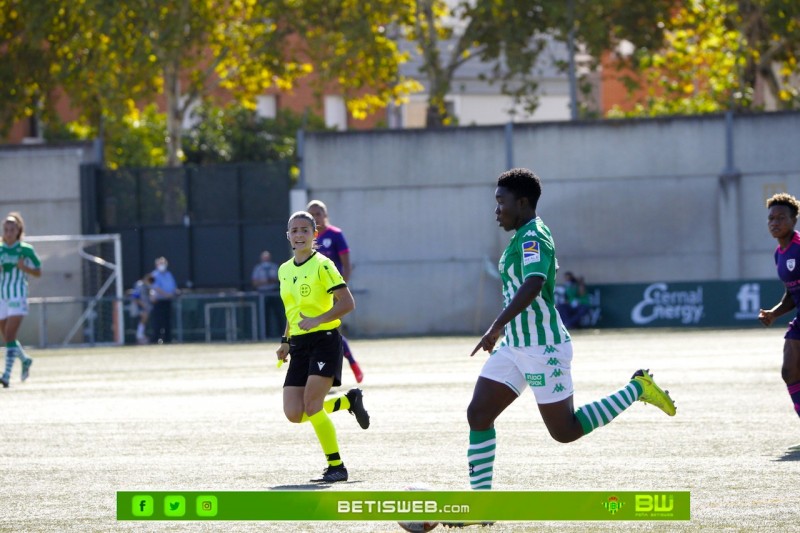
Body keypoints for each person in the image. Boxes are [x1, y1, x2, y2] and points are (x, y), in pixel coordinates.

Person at [466, 168, 676, 490]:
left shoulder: (534, 236)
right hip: (514, 346)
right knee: (479, 414)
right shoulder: (520, 238)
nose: (496, 210)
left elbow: (534, 283)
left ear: (522, 203)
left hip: (542, 347)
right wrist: (502, 331)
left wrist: (496, 324)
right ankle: (481, 504)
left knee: (565, 431)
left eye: (501, 202)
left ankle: (638, 388)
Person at [276, 210, 370, 483]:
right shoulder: (284, 270)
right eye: (294, 230)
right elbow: (291, 311)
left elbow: (347, 303)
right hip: (299, 345)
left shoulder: (323, 265)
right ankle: (347, 401)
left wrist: (318, 319)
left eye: (305, 230)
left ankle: (336, 466)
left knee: (312, 404)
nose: (299, 235)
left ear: (315, 235)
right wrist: (285, 341)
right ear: (288, 236)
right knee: (294, 413)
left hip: (325, 341)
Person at [306, 200, 364, 383]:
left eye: (318, 213)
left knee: (330, 332)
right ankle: (321, 373)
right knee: (316, 333)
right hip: (315, 294)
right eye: (311, 214)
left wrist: (341, 291)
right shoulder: (308, 239)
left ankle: (345, 365)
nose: (315, 217)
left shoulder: (336, 235)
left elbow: (346, 264)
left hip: (333, 293)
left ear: (325, 215)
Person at [758, 192, 800, 435]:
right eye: (771, 218)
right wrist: (773, 313)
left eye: (780, 218)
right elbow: (791, 293)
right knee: (789, 371)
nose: (774, 222)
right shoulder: (779, 253)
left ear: (794, 220)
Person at [0, 212, 41, 388]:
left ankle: (6, 375)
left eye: (12, 229)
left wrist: (24, 267)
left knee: (10, 334)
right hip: (2, 295)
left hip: (18, 294)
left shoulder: (26, 250)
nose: (9, 232)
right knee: (7, 336)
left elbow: (38, 272)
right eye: (6, 229)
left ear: (18, 231)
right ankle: (25, 360)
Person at [251, 250, 284, 338]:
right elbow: (255, 282)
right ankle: (266, 335)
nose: (266, 259)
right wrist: (265, 282)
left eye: (267, 257)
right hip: (263, 295)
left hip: (274, 293)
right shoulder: (258, 269)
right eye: (264, 258)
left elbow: (279, 279)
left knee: (278, 314)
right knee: (264, 316)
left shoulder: (274, 267)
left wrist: (270, 281)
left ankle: (282, 333)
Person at [149, 257, 177, 344]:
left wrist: (172, 293)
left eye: (163, 263)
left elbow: (173, 286)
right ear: (157, 265)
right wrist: (166, 294)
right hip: (158, 302)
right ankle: (155, 340)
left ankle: (167, 339)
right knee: (158, 321)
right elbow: (155, 287)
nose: (162, 265)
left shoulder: (169, 274)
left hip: (167, 301)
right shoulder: (154, 275)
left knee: (167, 321)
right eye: (160, 263)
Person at [130, 274, 154, 344]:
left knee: (145, 319)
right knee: (144, 318)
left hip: (146, 308)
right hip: (138, 308)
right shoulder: (139, 285)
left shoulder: (148, 286)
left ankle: (141, 336)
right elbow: (135, 297)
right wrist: (143, 305)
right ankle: (139, 336)